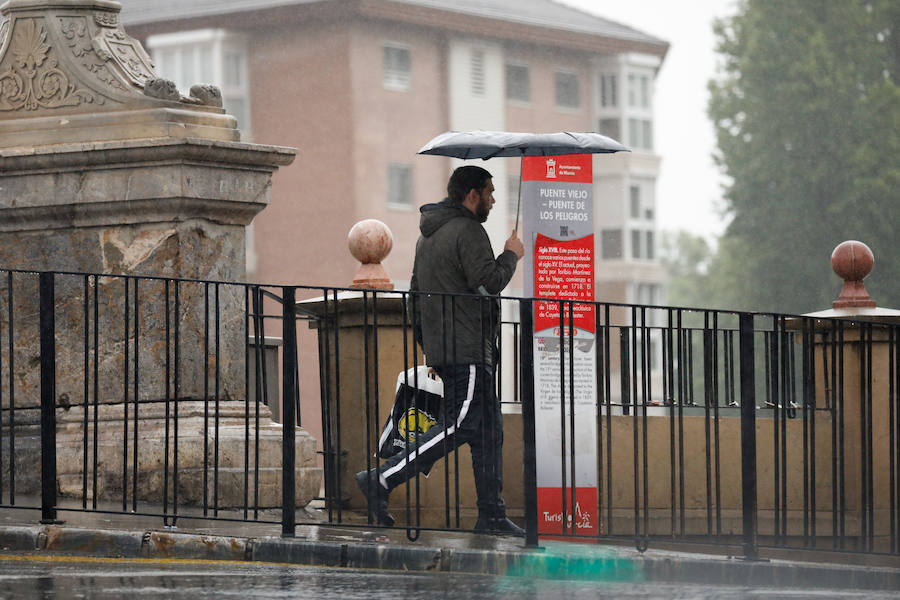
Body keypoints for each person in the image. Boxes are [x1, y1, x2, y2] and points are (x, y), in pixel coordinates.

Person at [356, 165, 525, 534]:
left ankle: (492, 516)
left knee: (488, 434)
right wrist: (511, 255)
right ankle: (381, 479)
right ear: (472, 195)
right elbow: (489, 283)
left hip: (453, 350)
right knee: (461, 425)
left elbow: (415, 298)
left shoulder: (427, 237)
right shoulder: (469, 230)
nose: (494, 200)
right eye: (490, 192)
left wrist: (431, 349)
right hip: (469, 351)